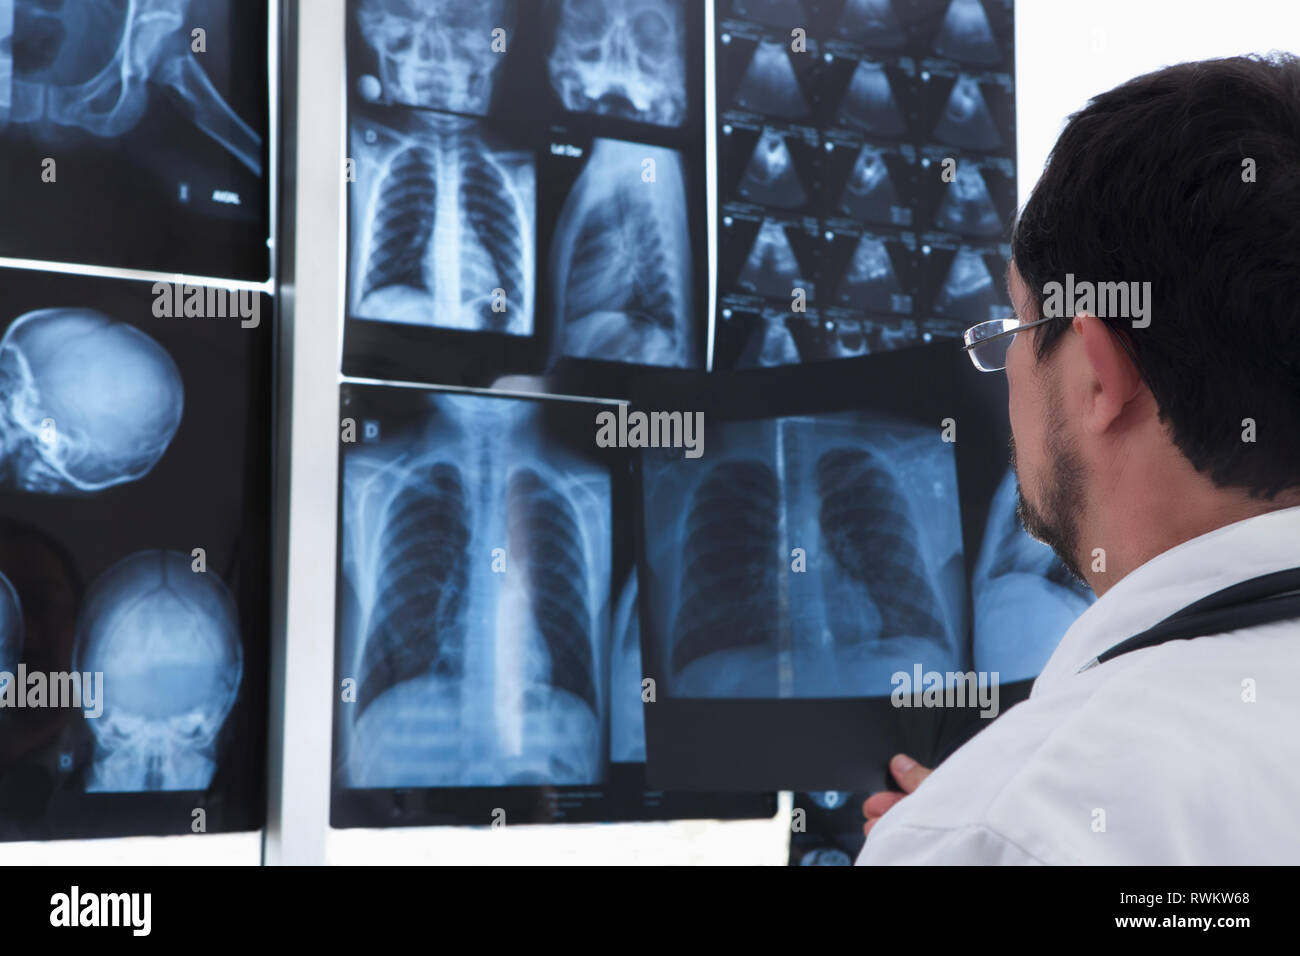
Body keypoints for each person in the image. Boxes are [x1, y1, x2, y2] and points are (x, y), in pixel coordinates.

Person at [857, 53, 1300, 865]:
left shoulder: (1004, 829)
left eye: (1016, 328)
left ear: (1100, 373)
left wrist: (973, 822)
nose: (1008, 369)